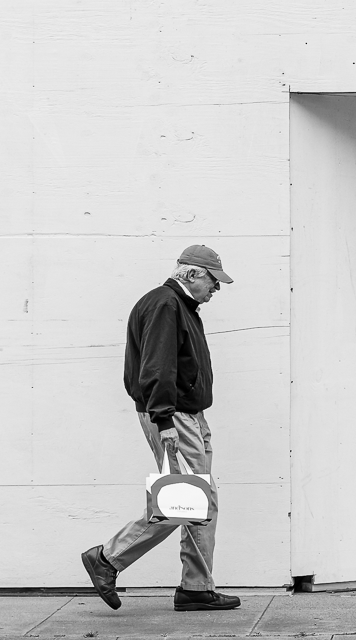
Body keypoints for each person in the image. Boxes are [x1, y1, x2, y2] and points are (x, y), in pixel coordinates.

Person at [80, 244, 240, 612]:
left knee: (203, 501)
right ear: (192, 274)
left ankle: (196, 589)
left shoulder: (180, 306)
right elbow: (157, 367)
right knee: (185, 500)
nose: (217, 289)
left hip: (190, 415)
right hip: (174, 416)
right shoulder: (165, 305)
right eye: (214, 281)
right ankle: (108, 558)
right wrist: (166, 419)